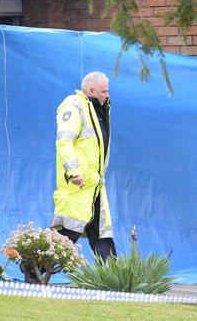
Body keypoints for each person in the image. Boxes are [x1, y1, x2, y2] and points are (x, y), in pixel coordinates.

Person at [50, 71, 116, 260]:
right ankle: (34, 271)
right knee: (67, 234)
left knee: (102, 235)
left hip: (94, 186)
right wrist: (73, 172)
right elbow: (64, 141)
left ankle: (113, 281)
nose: (107, 95)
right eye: (104, 91)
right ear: (92, 90)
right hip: (78, 185)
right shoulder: (74, 105)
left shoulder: (99, 110)